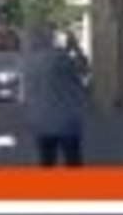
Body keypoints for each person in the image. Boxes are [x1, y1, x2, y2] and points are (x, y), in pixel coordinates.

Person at [22, 22, 88, 167]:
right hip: (66, 122)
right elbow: (84, 68)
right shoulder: (61, 58)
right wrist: (75, 48)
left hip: (42, 122)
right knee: (73, 162)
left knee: (46, 162)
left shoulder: (28, 62)